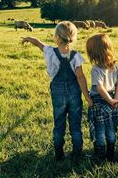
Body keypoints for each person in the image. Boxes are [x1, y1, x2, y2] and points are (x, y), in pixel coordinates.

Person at [21, 21, 92, 161]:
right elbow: (80, 77)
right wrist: (87, 97)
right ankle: (77, 154)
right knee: (75, 125)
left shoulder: (49, 51)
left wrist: (28, 39)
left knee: (59, 123)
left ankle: (59, 154)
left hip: (57, 92)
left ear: (57, 37)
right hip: (74, 93)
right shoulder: (76, 56)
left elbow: (38, 43)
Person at [86, 34, 118, 161]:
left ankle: (100, 155)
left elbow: (100, 88)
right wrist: (115, 99)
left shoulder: (96, 69)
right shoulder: (115, 66)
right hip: (112, 100)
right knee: (111, 128)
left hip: (100, 102)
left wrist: (110, 100)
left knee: (100, 130)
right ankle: (111, 153)